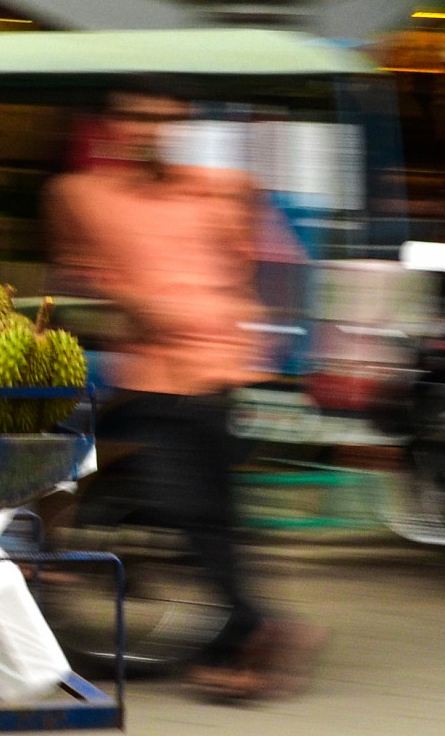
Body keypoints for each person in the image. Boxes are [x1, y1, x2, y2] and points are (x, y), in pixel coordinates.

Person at [45, 79, 325, 703]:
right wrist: (124, 301)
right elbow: (76, 271)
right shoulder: (84, 195)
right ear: (113, 125)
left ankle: (259, 630)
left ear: (177, 125)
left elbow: (258, 262)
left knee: (198, 512)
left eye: (161, 119)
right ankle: (241, 638)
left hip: (207, 373)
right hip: (146, 378)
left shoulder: (214, 190)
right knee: (193, 513)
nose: (147, 130)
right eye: (135, 118)